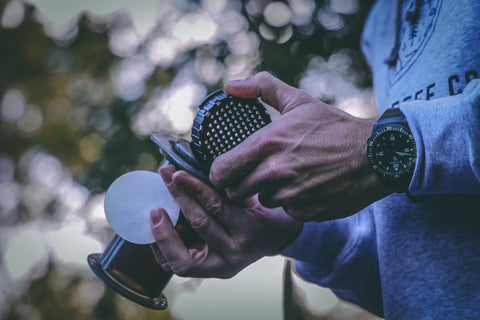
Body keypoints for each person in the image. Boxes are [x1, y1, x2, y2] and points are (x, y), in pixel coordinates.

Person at [149, 0, 480, 318]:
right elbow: (424, 272)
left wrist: (385, 147)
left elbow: (395, 152)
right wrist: (298, 235)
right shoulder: (382, 21)